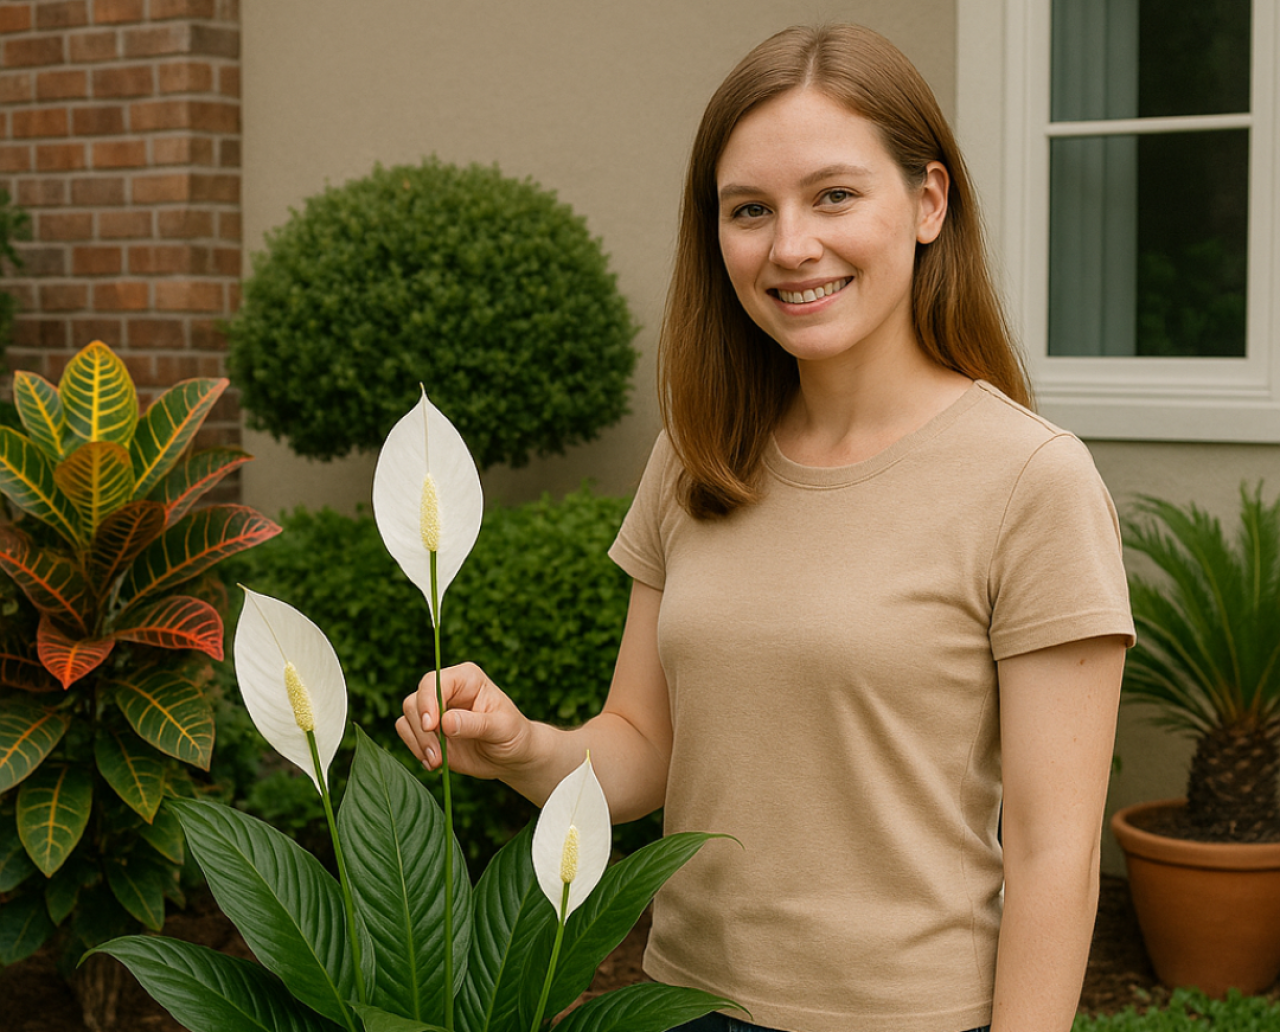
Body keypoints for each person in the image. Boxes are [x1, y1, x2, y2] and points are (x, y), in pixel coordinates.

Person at [397, 23, 1134, 1032]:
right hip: (679, 1004)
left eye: (833, 195)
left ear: (926, 203)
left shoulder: (1029, 482)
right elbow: (643, 749)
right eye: (749, 209)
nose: (790, 246)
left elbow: (1056, 860)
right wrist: (522, 746)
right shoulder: (697, 454)